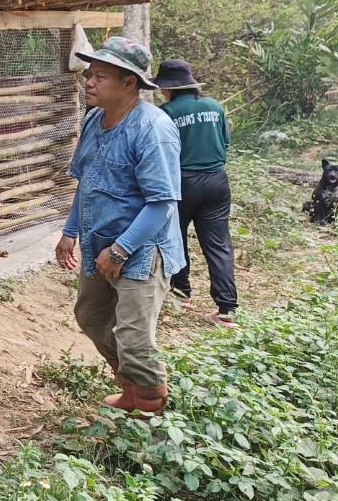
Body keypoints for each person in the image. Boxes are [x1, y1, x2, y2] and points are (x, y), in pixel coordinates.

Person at [56, 37, 185, 416]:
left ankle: (149, 409)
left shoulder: (152, 129)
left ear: (129, 83)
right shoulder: (94, 120)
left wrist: (120, 250)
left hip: (141, 250)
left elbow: (161, 204)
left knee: (134, 337)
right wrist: (70, 231)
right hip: (99, 241)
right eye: (89, 74)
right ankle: (131, 387)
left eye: (100, 76)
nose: (89, 82)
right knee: (92, 316)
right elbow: (87, 181)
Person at [156, 58, 239, 327]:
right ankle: (226, 309)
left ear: (168, 87)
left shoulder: (166, 112)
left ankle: (182, 294)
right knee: (218, 243)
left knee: (176, 237)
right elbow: (225, 143)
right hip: (217, 181)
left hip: (182, 182)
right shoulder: (215, 106)